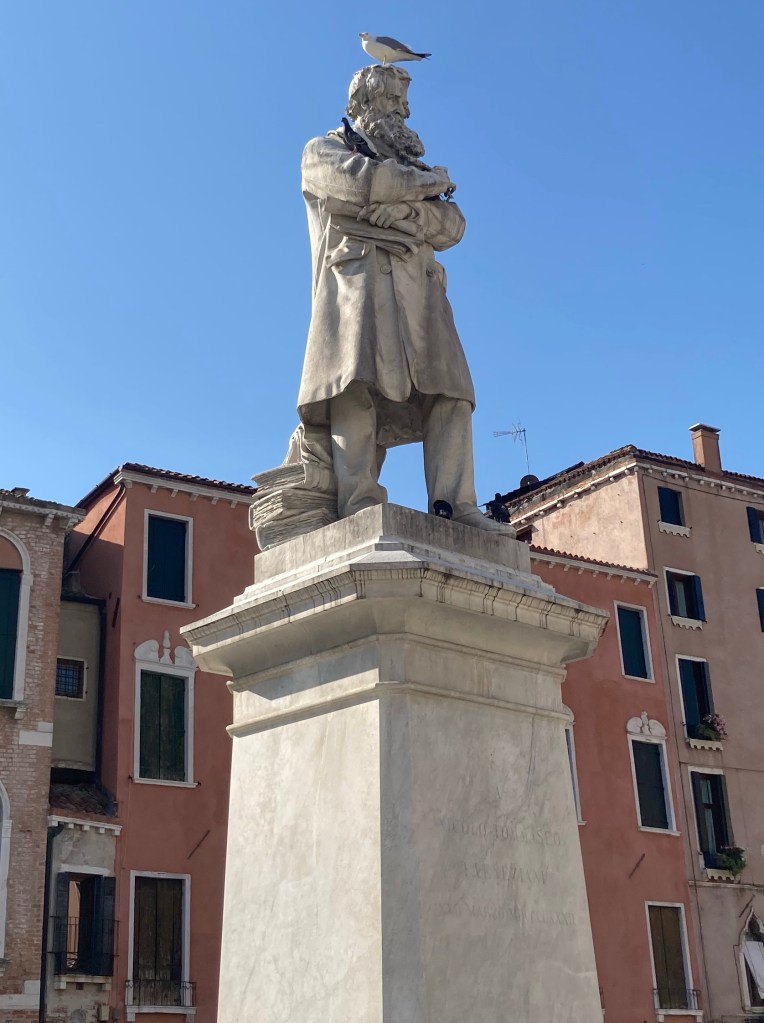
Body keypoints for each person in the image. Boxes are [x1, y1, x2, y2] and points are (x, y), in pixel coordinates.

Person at [295, 64, 513, 534]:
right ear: (364, 103)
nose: (405, 111)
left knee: (453, 392)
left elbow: (452, 225)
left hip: (422, 296)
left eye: (404, 102)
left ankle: (458, 505)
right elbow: (361, 184)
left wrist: (398, 215)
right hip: (356, 290)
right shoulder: (323, 151)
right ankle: (358, 503)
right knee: (355, 388)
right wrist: (430, 186)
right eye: (395, 101)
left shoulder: (412, 169)